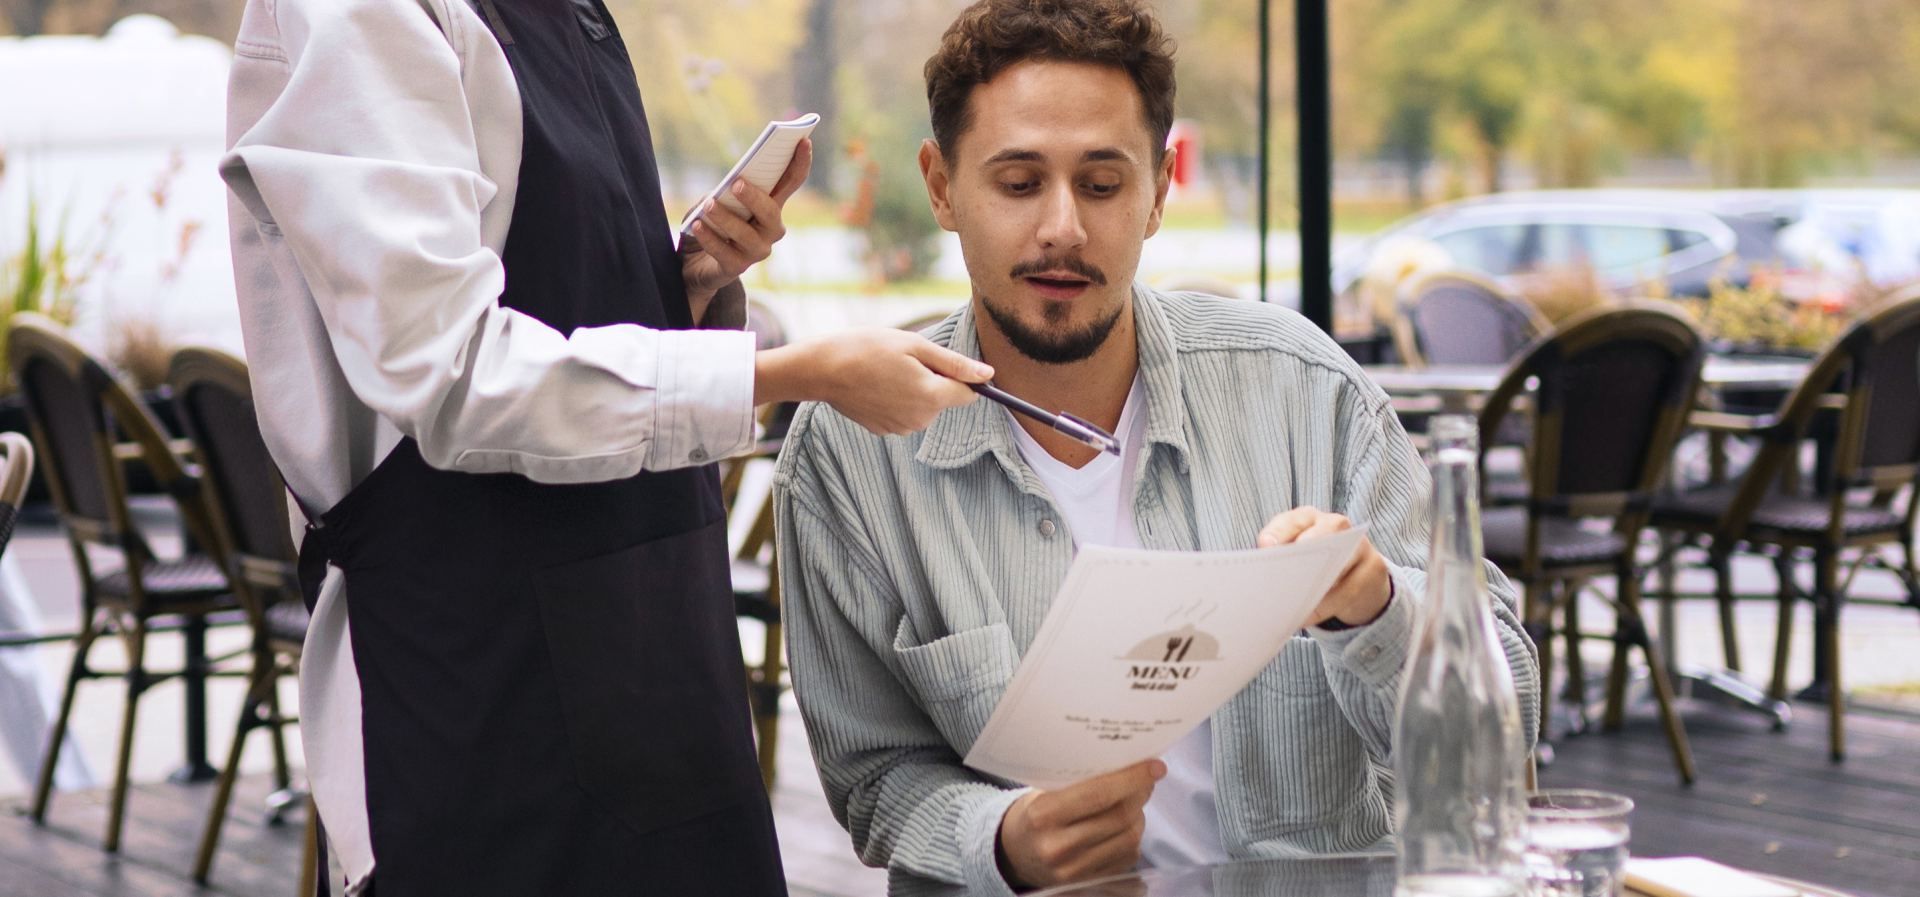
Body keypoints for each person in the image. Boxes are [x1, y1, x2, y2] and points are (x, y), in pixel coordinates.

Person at [220, 0, 993, 893]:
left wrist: (688, 281)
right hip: (475, 685)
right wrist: (786, 374)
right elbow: (447, 371)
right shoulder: (362, 13)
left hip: (662, 660)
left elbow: (560, 306)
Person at [771, 1, 1540, 893]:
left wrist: (1375, 609)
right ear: (941, 186)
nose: (1063, 226)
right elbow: (873, 776)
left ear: (1160, 192)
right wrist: (1001, 837)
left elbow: (1509, 716)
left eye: (1102, 185)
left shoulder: (1300, 387)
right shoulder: (850, 453)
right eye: (1018, 183)